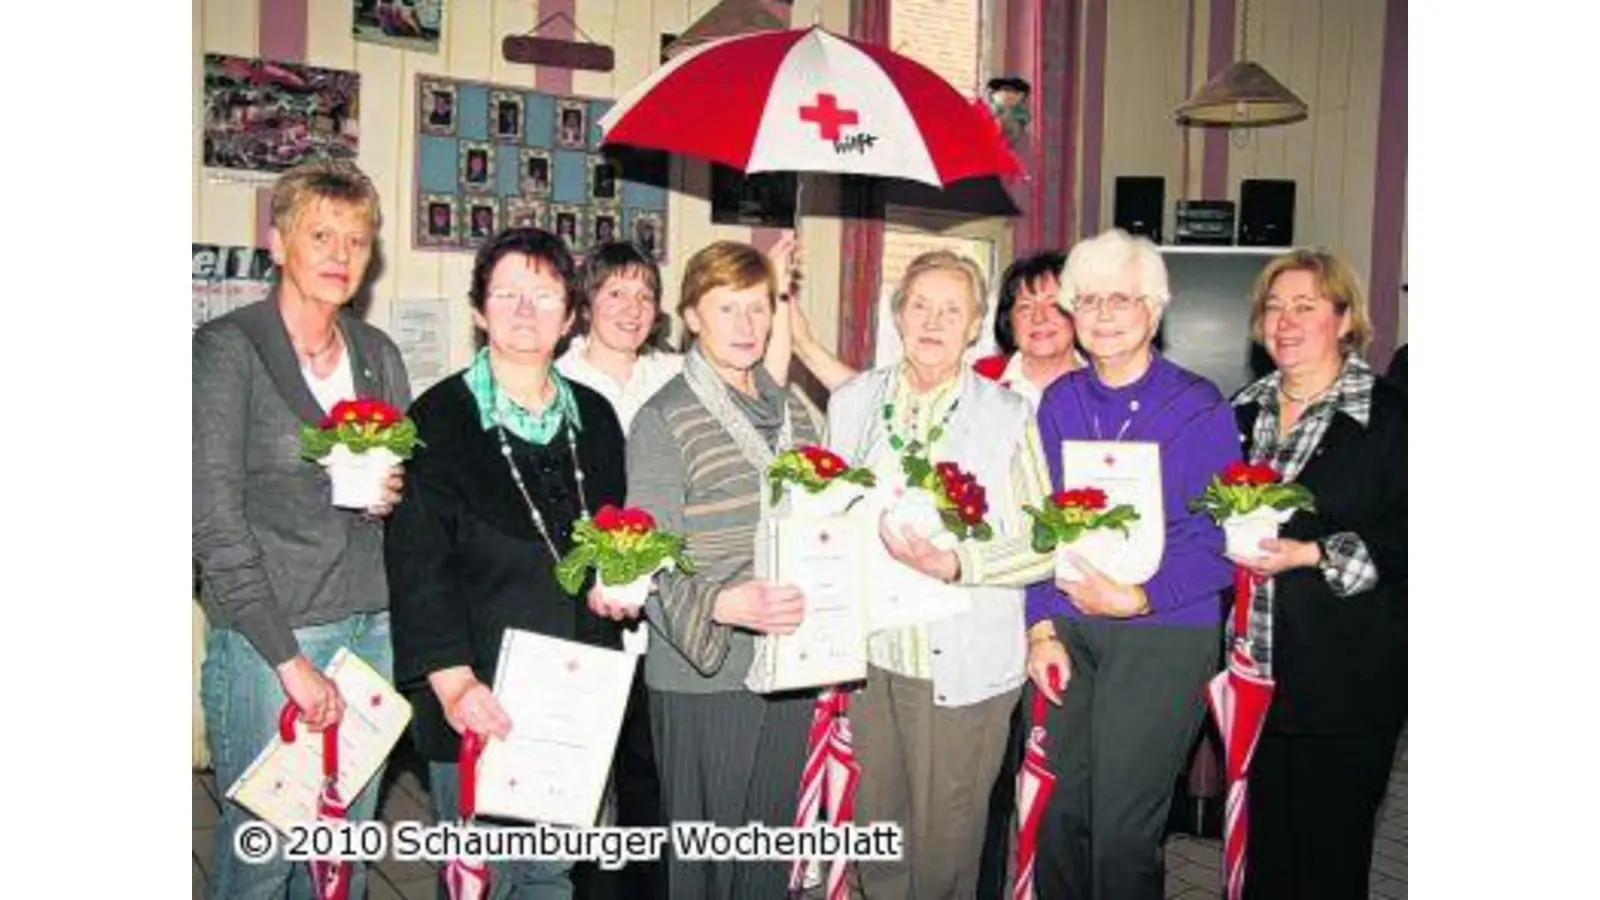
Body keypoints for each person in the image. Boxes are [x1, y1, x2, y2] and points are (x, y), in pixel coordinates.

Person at [386, 227, 630, 899]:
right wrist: (455, 685)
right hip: (478, 689)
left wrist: (621, 582)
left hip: (571, 686)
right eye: (508, 294)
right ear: (477, 310)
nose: (526, 312)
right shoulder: (438, 419)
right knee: (480, 878)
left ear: (572, 315)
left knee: (550, 875)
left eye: (545, 295)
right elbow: (417, 568)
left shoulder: (598, 420)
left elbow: (612, 541)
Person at [194, 159, 409, 899]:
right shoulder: (229, 350)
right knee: (262, 861)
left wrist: (387, 495)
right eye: (320, 234)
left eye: (355, 240)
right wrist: (287, 659)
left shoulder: (378, 356)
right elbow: (212, 521)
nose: (338, 255)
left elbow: (393, 488)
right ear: (278, 240)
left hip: (372, 633)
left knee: (338, 857)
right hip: (271, 640)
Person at [827, 250, 1055, 898]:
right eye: (920, 305)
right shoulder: (852, 404)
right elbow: (822, 517)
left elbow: (1044, 543)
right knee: (877, 834)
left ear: (976, 324)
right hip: (871, 659)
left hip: (961, 668)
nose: (933, 321)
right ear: (897, 314)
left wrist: (957, 562)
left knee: (946, 849)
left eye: (951, 309)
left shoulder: (1008, 416)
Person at [601, 241, 823, 899]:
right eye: (727, 308)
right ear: (693, 316)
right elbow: (645, 554)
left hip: (793, 661)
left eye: (758, 308)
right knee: (706, 860)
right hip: (709, 669)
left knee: (766, 853)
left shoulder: (794, 412)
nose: (746, 325)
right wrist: (725, 606)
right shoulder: (664, 417)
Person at [1023, 228, 1239, 900]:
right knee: (1059, 810)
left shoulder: (1197, 405)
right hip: (1072, 623)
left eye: (1122, 298)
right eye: (1088, 300)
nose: (1105, 313)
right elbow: (1043, 520)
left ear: (1154, 308)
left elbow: (1218, 540)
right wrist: (1041, 627)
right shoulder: (1062, 401)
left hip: (1164, 627)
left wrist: (1140, 597)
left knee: (1121, 828)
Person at [1230, 250, 1407, 900]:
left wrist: (1313, 554)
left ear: (1343, 318)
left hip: (1348, 678)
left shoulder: (1391, 417)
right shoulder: (1239, 414)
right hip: (1253, 675)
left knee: (1331, 858)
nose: (1285, 320)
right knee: (1263, 855)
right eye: (1274, 307)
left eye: (1305, 306)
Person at [972, 249, 1085, 899]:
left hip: (1072, 606)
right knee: (986, 773)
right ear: (1006, 321)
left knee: (1061, 777)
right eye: (1024, 304)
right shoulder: (979, 382)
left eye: (1054, 302)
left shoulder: (1105, 386)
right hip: (987, 602)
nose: (1039, 316)